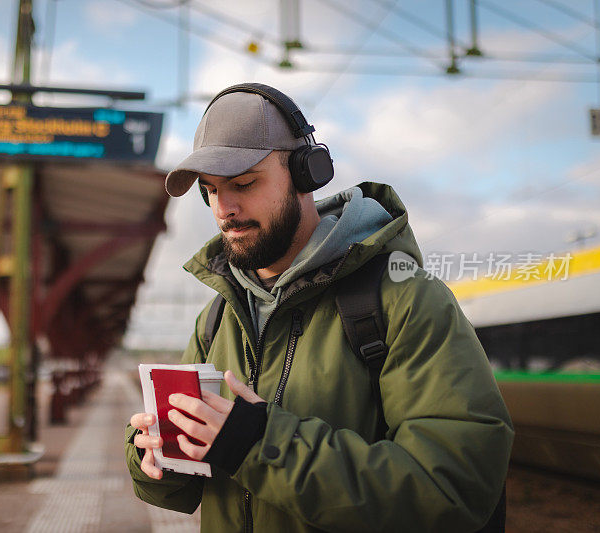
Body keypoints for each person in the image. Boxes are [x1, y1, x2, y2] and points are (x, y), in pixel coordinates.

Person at [125, 83, 514, 532]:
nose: (223, 208)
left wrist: (258, 445)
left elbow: (454, 490)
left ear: (307, 173)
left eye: (244, 184)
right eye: (209, 191)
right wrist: (154, 454)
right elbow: (184, 492)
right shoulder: (217, 319)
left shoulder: (405, 300)